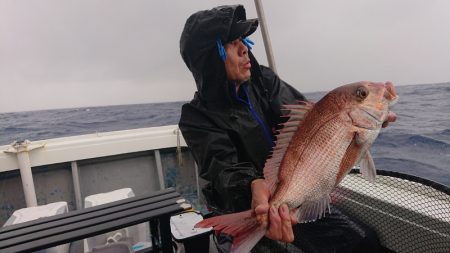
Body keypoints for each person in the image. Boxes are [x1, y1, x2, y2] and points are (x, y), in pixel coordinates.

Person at [179, 5, 389, 253]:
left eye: (243, 40)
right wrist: (254, 186)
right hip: (243, 205)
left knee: (364, 241)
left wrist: (369, 117)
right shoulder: (196, 117)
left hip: (295, 190)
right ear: (209, 58)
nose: (245, 48)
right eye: (231, 43)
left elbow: (311, 123)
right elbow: (223, 167)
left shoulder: (263, 80)